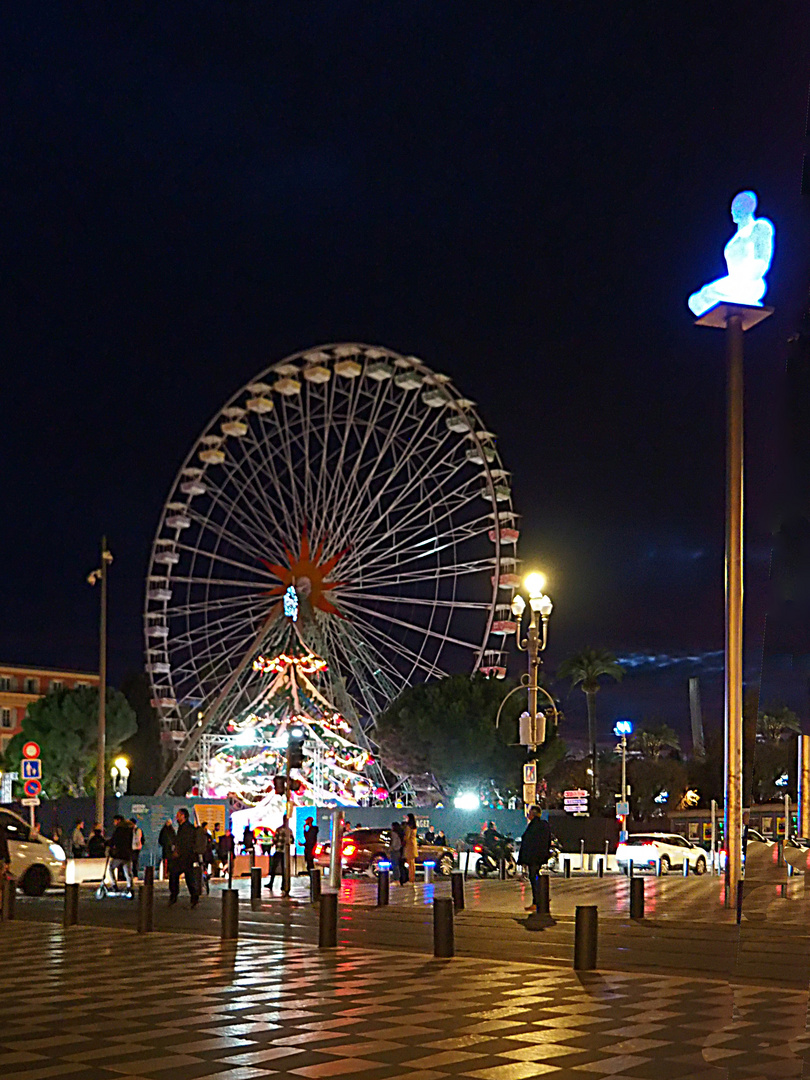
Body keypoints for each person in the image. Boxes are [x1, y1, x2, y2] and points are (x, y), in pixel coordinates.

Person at [688, 190, 775, 316]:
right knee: (695, 300)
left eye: (738, 205)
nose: (733, 210)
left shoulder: (759, 227)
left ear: (749, 206)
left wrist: (748, 278)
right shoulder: (731, 243)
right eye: (733, 207)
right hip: (733, 282)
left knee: (710, 291)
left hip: (751, 283)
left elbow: (762, 259)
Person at [518, 806, 552, 914]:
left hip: (533, 857)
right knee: (535, 877)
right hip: (539, 856)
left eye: (529, 813)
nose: (528, 815)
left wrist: (523, 858)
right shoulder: (543, 825)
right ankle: (540, 900)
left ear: (533, 814)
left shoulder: (534, 826)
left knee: (534, 878)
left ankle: (537, 901)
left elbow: (528, 842)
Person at [169, 807, 199, 908]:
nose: (176, 817)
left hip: (185, 857)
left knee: (182, 875)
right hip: (184, 857)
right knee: (186, 876)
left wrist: (179, 852)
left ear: (183, 816)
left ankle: (177, 895)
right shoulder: (184, 827)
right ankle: (192, 897)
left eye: (178, 815)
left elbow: (186, 843)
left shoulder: (187, 828)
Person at [105, 815, 134, 896]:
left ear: (118, 820)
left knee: (111, 868)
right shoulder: (129, 829)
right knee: (127, 871)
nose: (114, 823)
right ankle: (130, 887)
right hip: (127, 853)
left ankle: (114, 885)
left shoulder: (119, 829)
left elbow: (115, 840)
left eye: (115, 821)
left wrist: (107, 843)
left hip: (119, 853)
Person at [265, 816, 291, 891]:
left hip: (279, 850)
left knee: (274, 867)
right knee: (284, 869)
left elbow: (275, 839)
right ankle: (284, 885)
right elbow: (291, 840)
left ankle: (271, 883)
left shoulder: (279, 829)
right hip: (285, 852)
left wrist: (273, 844)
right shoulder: (289, 831)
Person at [403, 813, 418, 884]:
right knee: (412, 863)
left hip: (409, 846)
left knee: (410, 863)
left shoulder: (408, 827)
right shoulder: (414, 827)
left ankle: (411, 879)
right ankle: (412, 878)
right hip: (413, 845)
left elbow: (406, 837)